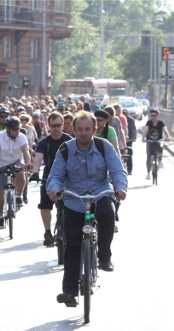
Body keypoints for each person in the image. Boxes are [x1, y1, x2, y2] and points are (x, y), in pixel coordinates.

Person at [46, 111, 128, 307]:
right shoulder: (65, 150)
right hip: (75, 198)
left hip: (100, 193)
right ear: (73, 130)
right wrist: (54, 189)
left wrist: (120, 187)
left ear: (94, 130)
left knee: (108, 214)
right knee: (72, 245)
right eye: (79, 129)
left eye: (87, 129)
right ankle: (69, 292)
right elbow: (55, 175)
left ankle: (104, 256)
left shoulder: (103, 146)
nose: (83, 133)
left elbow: (117, 170)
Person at [30, 112, 72, 246]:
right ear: (48, 126)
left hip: (68, 178)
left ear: (63, 125)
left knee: (71, 206)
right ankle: (47, 231)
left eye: (58, 125)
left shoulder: (69, 141)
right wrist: (35, 172)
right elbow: (38, 158)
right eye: (53, 126)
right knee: (45, 205)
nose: (56, 128)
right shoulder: (44, 142)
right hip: (49, 178)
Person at [0, 116, 31, 230]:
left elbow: (26, 151)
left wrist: (27, 163)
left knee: (21, 172)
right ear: (7, 129)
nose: (17, 131)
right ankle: (0, 217)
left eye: (18, 129)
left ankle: (18, 196)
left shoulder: (21, 136)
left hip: (16, 161)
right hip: (0, 164)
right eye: (14, 129)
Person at [142, 109, 171, 179]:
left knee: (160, 147)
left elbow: (165, 130)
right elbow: (145, 131)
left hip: (158, 140)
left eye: (154, 116)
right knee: (148, 156)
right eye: (151, 116)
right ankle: (148, 173)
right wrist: (143, 138)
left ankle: (160, 160)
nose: (153, 117)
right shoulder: (148, 123)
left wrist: (168, 137)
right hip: (150, 141)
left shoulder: (161, 123)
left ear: (158, 116)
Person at [122, 108, 136, 175]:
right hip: (121, 140)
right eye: (123, 113)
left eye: (126, 113)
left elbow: (133, 129)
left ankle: (129, 170)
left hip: (129, 139)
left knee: (129, 154)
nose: (124, 115)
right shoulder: (120, 119)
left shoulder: (131, 120)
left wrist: (133, 137)